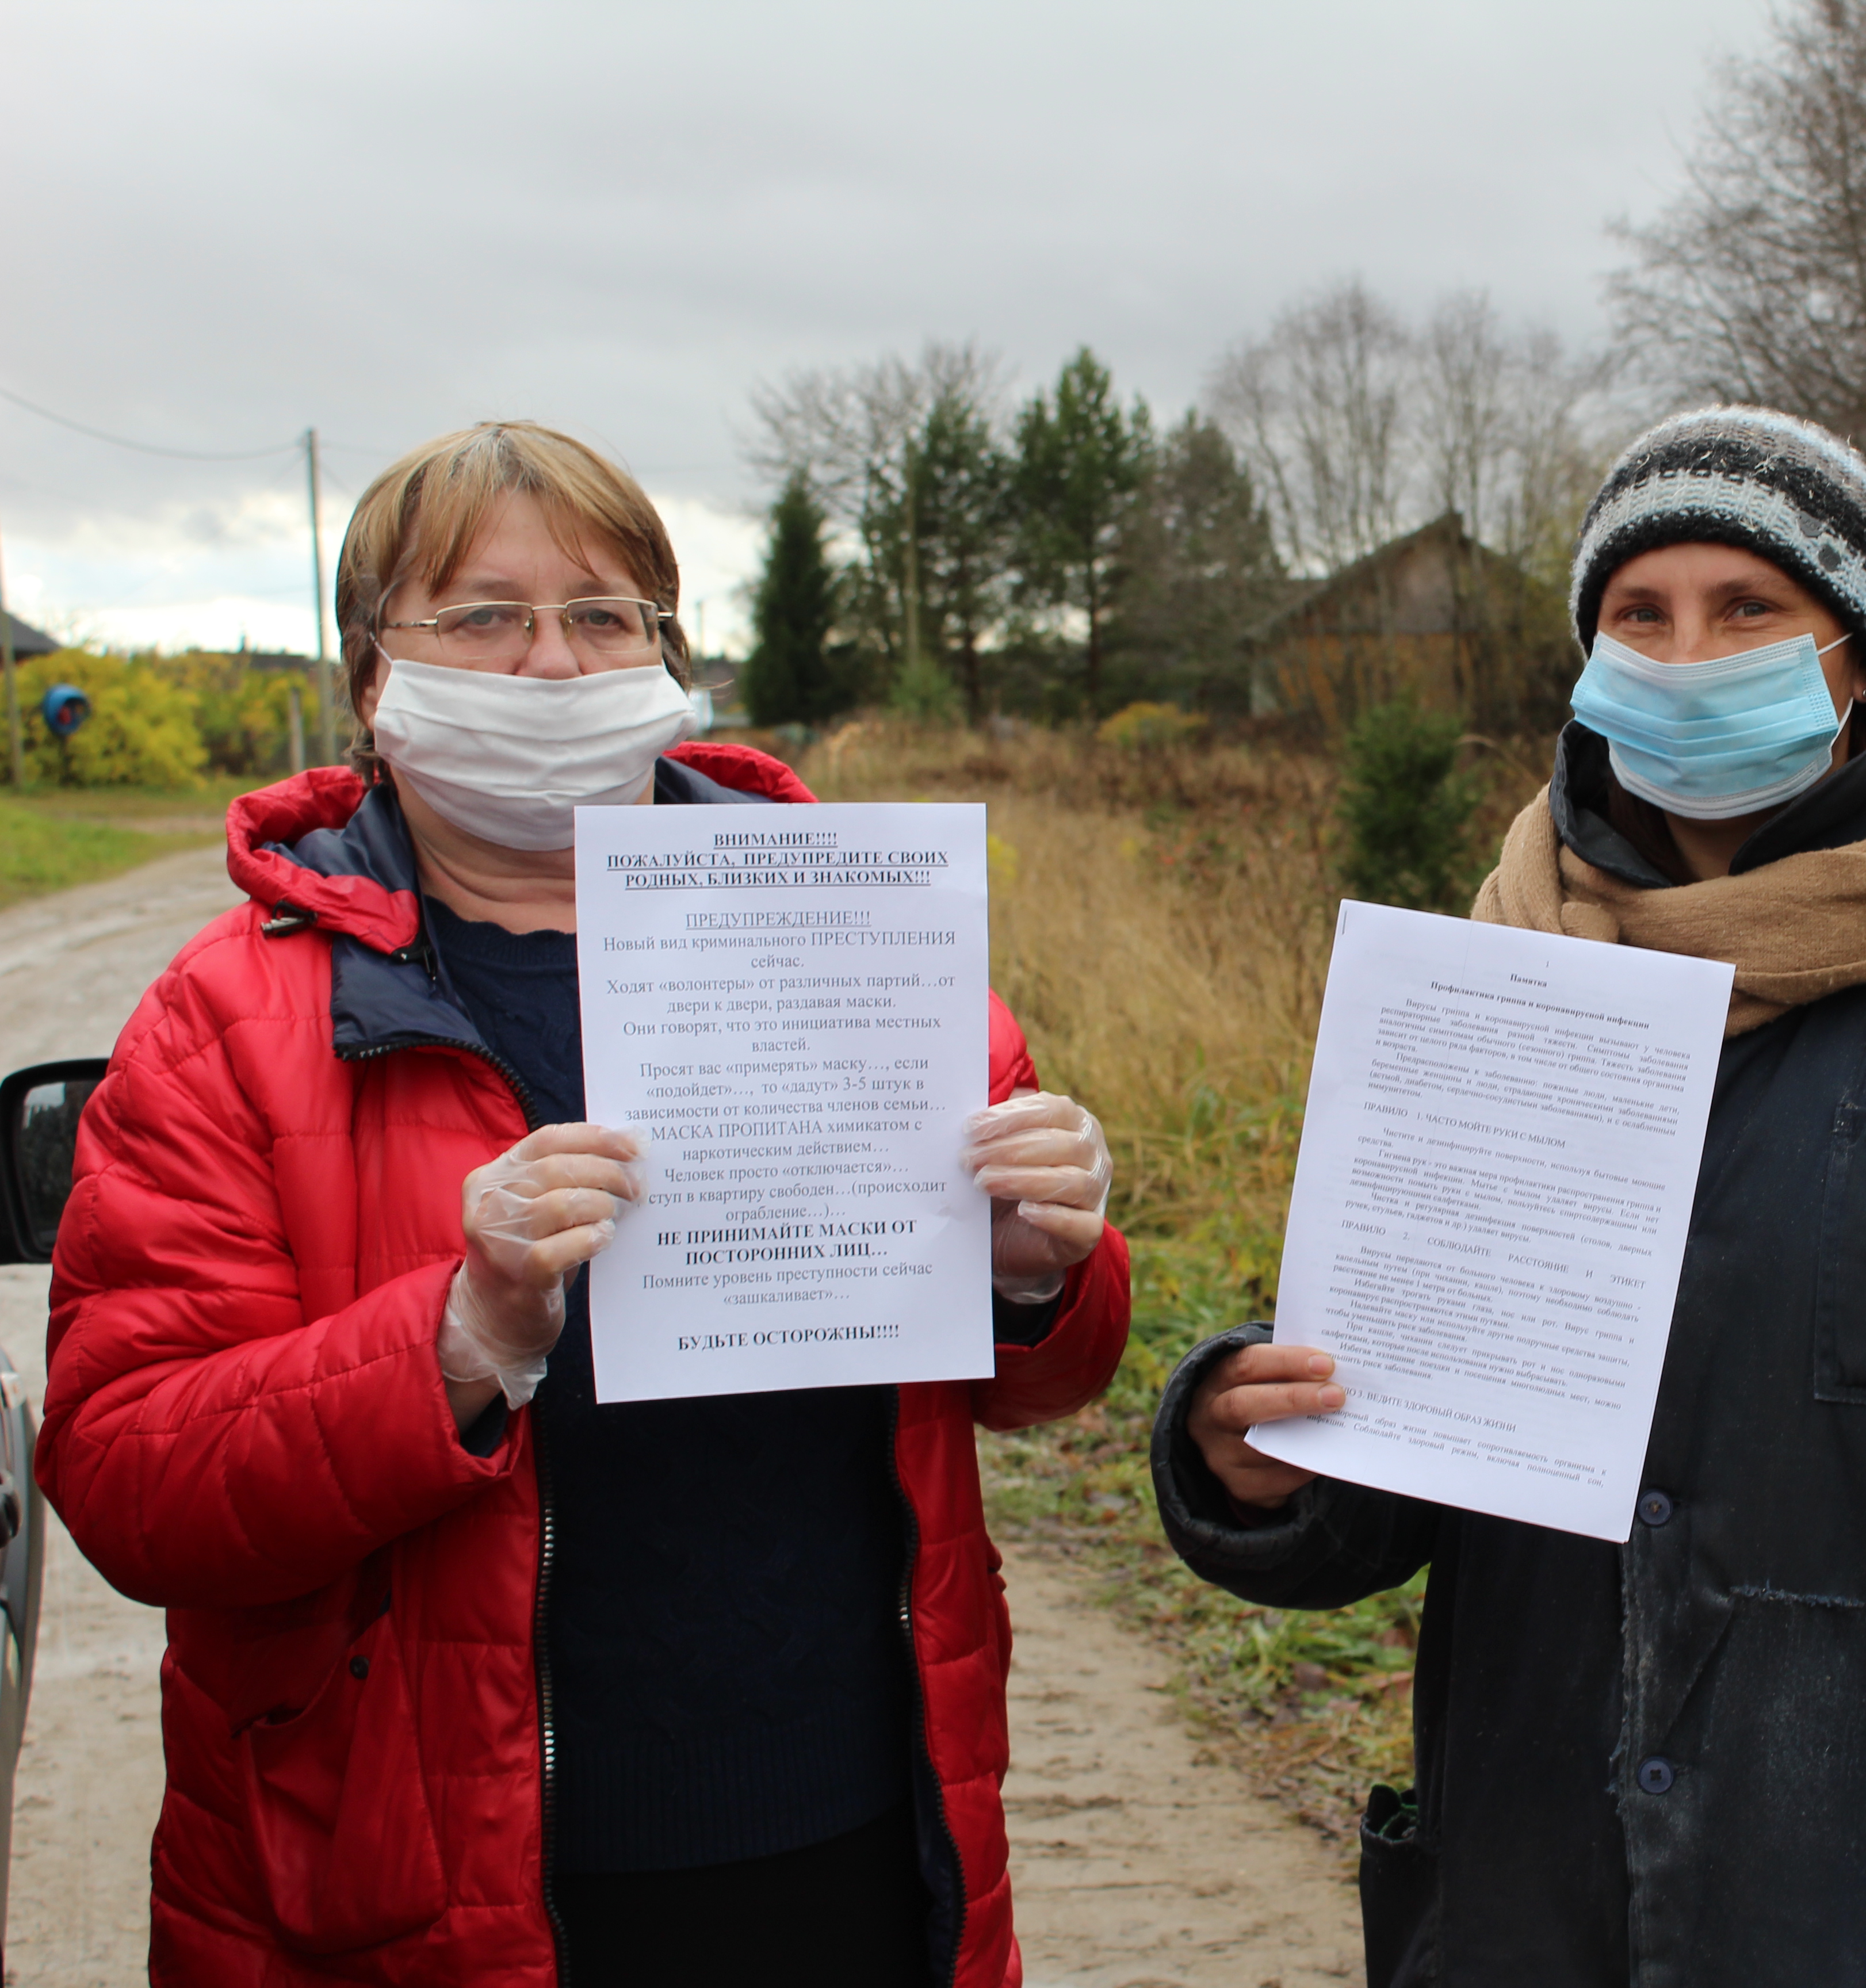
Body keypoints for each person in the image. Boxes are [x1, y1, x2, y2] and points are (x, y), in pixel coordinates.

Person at [1154, 407, 1866, 1988]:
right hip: (1528, 1919)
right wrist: (1254, 1451)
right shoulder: (1494, 980)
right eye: (1642, 614)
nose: (1687, 657)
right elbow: (1421, 1452)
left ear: (1858, 659)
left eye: (1748, 609)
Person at [35, 421, 1128, 1987]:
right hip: (421, 1881)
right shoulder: (227, 1026)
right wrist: (457, 1339)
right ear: (373, 682)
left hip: (852, 1835)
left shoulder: (856, 946)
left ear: (665, 657)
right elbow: (134, 1477)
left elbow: (1049, 1376)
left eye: (604, 616)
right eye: (483, 616)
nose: (552, 663)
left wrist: (1035, 1276)